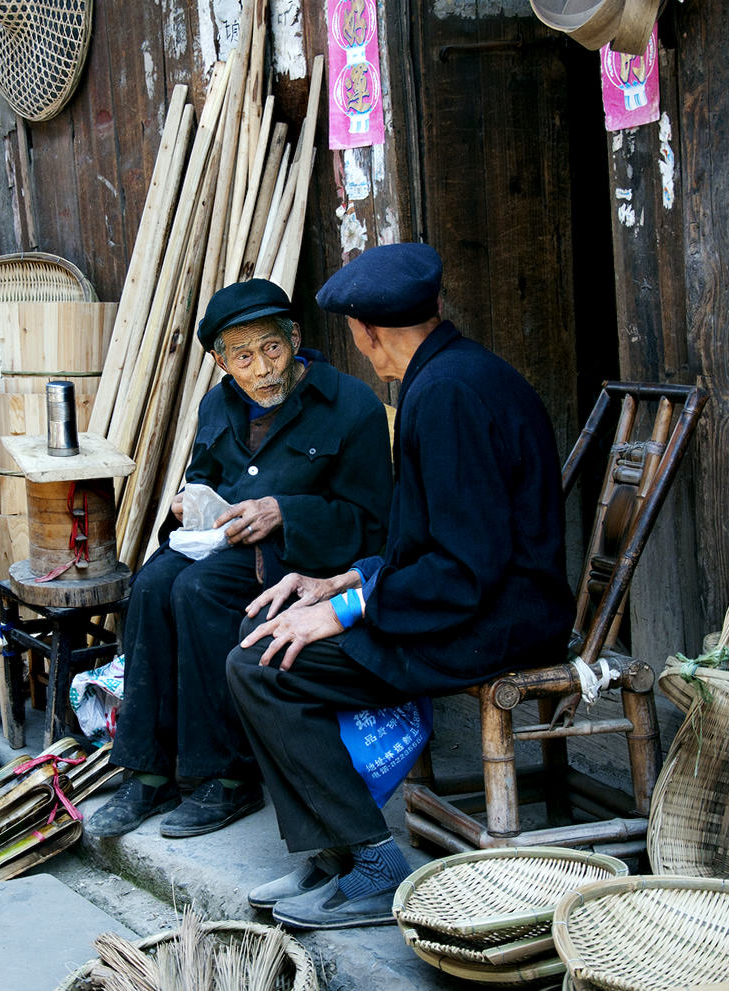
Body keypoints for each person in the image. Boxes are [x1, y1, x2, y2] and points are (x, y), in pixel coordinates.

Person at [226, 243, 575, 929]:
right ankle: (338, 849)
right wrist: (341, 578)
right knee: (264, 634)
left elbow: (462, 569)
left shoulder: (445, 393)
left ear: (364, 331)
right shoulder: (449, 372)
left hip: (495, 619)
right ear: (435, 307)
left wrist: (349, 610)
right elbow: (435, 539)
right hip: (472, 600)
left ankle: (373, 866)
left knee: (262, 663)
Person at [90, 278, 394, 840]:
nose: (263, 369)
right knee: (153, 584)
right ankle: (148, 768)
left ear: (295, 338)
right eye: (244, 356)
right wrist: (190, 501)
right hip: (222, 545)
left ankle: (224, 777)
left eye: (273, 348)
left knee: (196, 591)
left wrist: (286, 512)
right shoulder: (218, 403)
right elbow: (205, 477)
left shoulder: (350, 406)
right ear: (220, 361)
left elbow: (372, 525)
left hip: (296, 561)